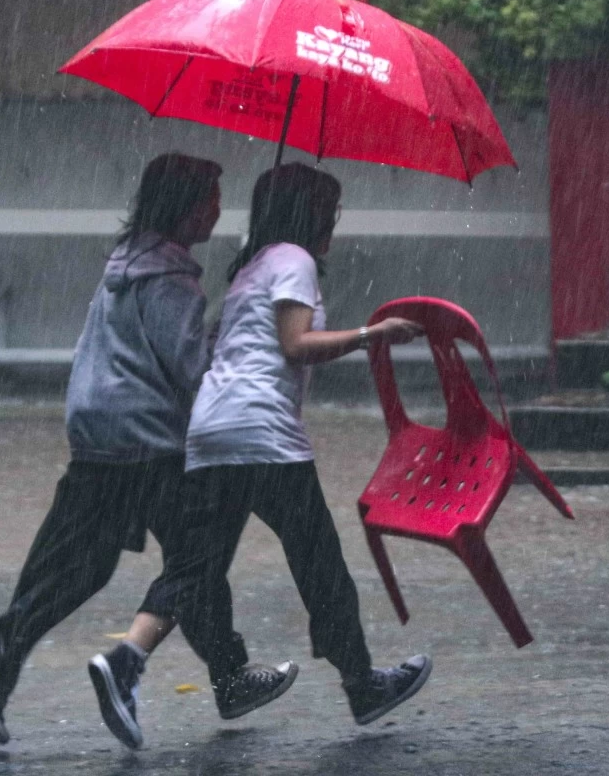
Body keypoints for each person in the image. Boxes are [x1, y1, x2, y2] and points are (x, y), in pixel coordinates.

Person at [0, 153, 297, 751]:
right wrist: (236, 321)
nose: (217, 211)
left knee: (79, 561)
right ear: (183, 208)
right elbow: (194, 371)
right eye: (209, 200)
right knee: (197, 555)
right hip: (148, 440)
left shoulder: (127, 264)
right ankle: (196, 672)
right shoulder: (169, 281)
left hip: (99, 433)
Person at [152, 162, 432, 727]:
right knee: (319, 562)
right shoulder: (294, 260)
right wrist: (371, 336)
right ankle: (360, 682)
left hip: (212, 431)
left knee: (201, 568)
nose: (335, 222)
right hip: (262, 436)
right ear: (313, 216)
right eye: (330, 211)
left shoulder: (249, 266)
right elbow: (296, 345)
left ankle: (213, 676)